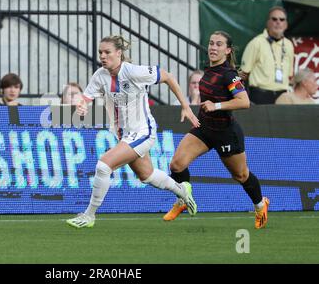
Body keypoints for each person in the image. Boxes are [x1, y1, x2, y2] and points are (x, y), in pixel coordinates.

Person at [65, 35, 200, 229]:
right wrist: (83, 106)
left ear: (119, 53)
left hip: (143, 132)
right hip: (124, 135)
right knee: (147, 175)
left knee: (103, 165)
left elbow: (169, 77)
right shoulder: (100, 75)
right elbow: (86, 97)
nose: (103, 56)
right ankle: (182, 191)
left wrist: (185, 106)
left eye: (107, 52)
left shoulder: (134, 71)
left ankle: (89, 215)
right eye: (100, 52)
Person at [165, 31, 270, 229]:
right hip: (204, 127)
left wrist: (217, 106)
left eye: (219, 44)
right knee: (176, 165)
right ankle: (182, 200)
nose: (213, 47)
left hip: (226, 132)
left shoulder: (229, 74)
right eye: (211, 43)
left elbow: (244, 102)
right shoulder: (209, 70)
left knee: (241, 175)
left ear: (227, 50)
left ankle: (260, 205)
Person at [240, 6, 294, 104]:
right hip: (260, 95)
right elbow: (243, 74)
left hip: (282, 96)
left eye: (282, 20)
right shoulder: (256, 43)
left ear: (286, 24)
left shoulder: (289, 45)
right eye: (274, 19)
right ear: (268, 23)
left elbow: (289, 75)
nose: (278, 22)